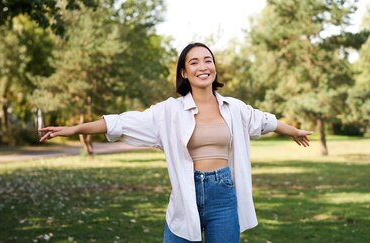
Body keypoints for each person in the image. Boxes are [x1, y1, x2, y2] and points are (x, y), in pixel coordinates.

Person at [38, 42, 313, 243]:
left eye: (208, 60)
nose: (203, 66)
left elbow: (267, 121)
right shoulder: (169, 111)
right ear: (184, 72)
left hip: (223, 193)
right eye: (194, 62)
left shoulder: (235, 108)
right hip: (186, 193)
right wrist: (71, 129)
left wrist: (295, 131)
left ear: (214, 67)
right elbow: (119, 122)